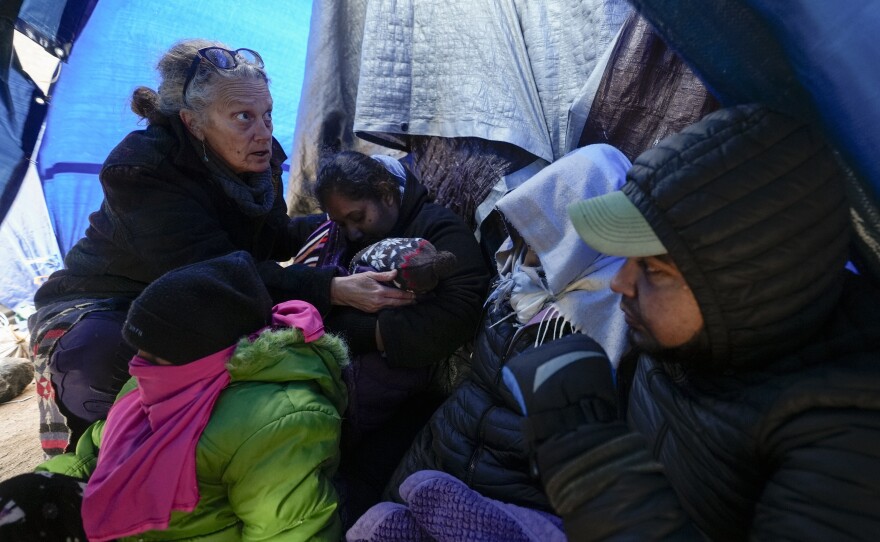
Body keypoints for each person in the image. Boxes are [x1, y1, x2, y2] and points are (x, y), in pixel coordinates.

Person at [502, 104, 880, 539]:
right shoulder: (685, 341)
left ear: (744, 287)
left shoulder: (852, 432)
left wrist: (589, 461)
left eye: (654, 269)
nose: (620, 281)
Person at [27, 39, 412, 456]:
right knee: (105, 360)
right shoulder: (143, 169)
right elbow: (214, 270)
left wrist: (339, 218)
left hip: (191, 296)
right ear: (193, 123)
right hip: (105, 301)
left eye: (267, 115)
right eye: (243, 117)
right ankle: (112, 462)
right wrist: (332, 287)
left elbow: (270, 238)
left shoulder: (258, 164)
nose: (263, 133)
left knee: (243, 350)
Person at [8, 251, 349, 541]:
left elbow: (291, 531)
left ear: (202, 356)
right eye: (139, 353)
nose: (138, 368)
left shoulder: (277, 420)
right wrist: (45, 484)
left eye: (154, 357)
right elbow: (98, 451)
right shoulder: (158, 380)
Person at [383, 144, 631, 512]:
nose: (523, 239)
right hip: (442, 446)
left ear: (576, 230)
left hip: (504, 492)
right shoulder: (522, 280)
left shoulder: (606, 321)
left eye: (544, 224)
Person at [299, 150, 491, 523]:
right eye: (340, 222)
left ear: (387, 192)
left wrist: (355, 328)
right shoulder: (341, 238)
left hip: (421, 393)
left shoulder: (439, 230)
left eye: (357, 217)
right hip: (353, 378)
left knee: (366, 473)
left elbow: (457, 317)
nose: (351, 232)